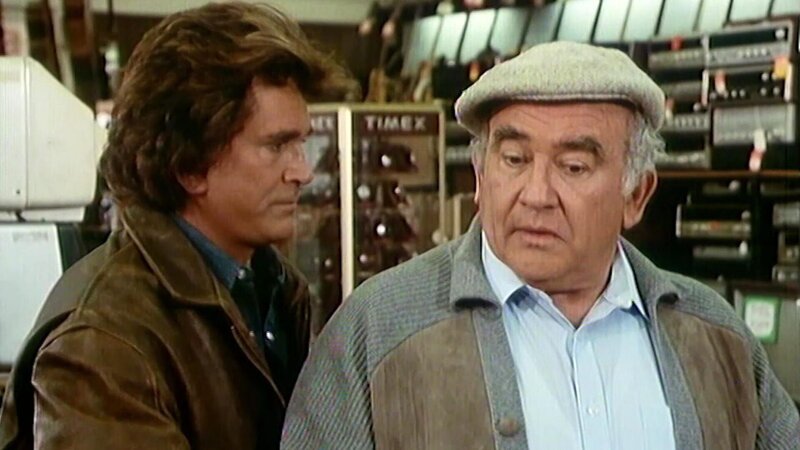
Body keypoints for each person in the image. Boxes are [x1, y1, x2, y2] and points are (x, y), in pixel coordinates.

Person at [281, 41, 800, 450]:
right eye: (514, 160)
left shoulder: (716, 336)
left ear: (636, 195)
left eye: (573, 167)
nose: (536, 195)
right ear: (479, 176)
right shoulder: (376, 329)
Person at [0, 2, 355, 449]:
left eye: (300, 144)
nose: (302, 172)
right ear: (189, 166)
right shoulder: (104, 340)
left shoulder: (272, 290)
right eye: (276, 146)